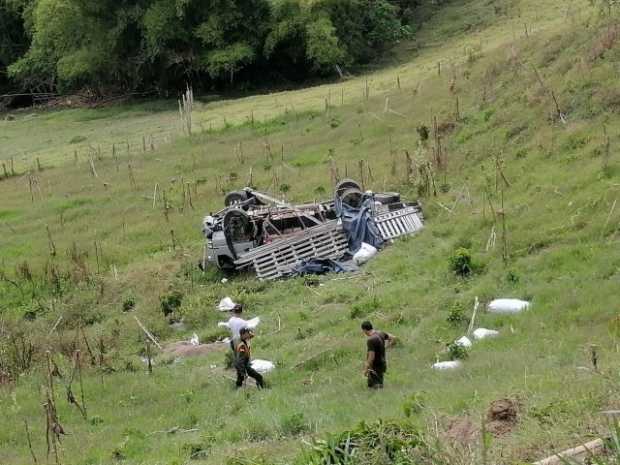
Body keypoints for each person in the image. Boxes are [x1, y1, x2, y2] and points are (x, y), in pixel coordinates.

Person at [361, 321, 396, 389]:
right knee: (377, 384)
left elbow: (371, 357)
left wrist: (365, 369)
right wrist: (387, 347)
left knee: (375, 388)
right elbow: (393, 338)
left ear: (364, 330)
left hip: (375, 367)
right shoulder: (381, 333)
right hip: (382, 363)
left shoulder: (371, 340)